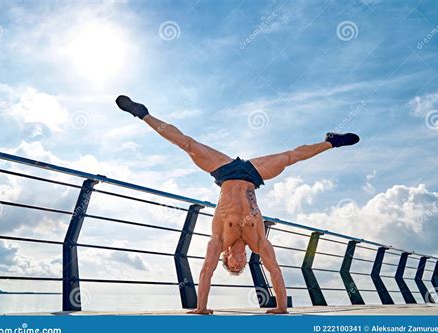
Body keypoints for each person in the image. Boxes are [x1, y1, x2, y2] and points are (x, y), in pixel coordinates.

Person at [115, 95, 360, 314]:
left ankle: (143, 114)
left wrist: (201, 308)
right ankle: (332, 142)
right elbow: (274, 270)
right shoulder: (258, 242)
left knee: (187, 144)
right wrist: (282, 308)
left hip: (224, 172)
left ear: (227, 257)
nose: (240, 264)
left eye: (234, 266)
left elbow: (206, 271)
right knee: (289, 157)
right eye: (241, 266)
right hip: (253, 175)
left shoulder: (219, 241)